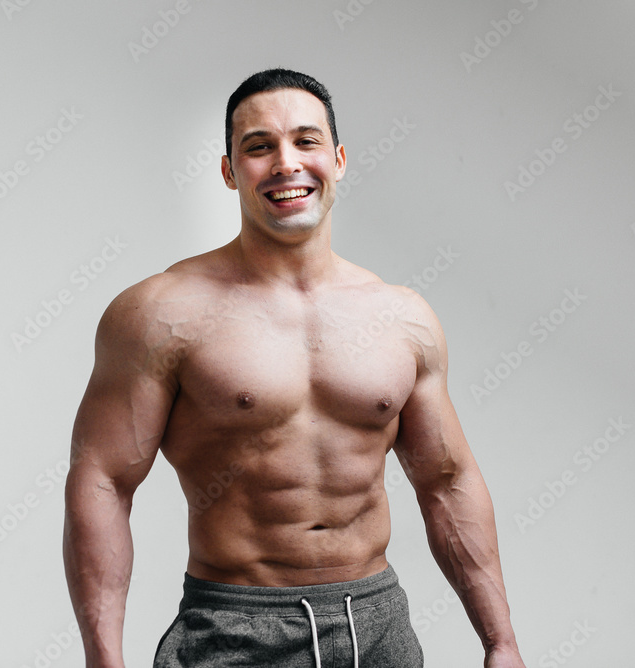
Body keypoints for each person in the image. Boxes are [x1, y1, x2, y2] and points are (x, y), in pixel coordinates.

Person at [63, 68, 526, 668]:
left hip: (377, 629)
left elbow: (446, 481)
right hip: (235, 629)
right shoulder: (161, 312)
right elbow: (102, 480)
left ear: (337, 159)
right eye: (259, 146)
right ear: (230, 172)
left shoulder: (402, 317)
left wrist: (501, 642)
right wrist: (103, 658)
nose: (286, 163)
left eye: (305, 141)